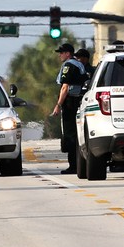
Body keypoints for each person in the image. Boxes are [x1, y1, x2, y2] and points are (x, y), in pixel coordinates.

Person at [50, 43, 86, 174]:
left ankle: (73, 165)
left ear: (68, 53)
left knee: (69, 134)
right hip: (78, 101)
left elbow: (65, 87)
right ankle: (78, 163)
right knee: (77, 134)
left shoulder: (68, 65)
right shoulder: (79, 64)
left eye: (61, 52)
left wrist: (58, 105)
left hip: (70, 102)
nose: (60, 55)